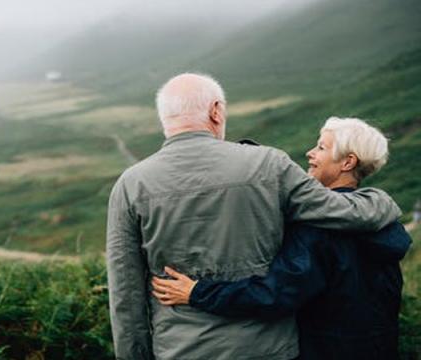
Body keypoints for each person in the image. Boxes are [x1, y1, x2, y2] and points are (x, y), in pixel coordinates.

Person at [106, 73, 402, 360]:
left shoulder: (130, 185)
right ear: (216, 111)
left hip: (179, 349)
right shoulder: (269, 165)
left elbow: (125, 296)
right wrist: (382, 201)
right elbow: (343, 211)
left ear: (164, 119)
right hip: (270, 349)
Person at [151, 117, 411, 359]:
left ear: (347, 162)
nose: (310, 153)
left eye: (321, 148)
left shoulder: (319, 228)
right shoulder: (382, 223)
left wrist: (197, 292)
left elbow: (275, 295)